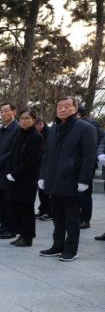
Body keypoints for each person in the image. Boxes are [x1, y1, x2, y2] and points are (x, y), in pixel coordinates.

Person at [38, 96, 97, 262]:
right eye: (59, 106)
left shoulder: (85, 128)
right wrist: (42, 175)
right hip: (54, 178)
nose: (62, 109)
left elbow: (89, 157)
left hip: (72, 178)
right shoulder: (54, 128)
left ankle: (71, 249)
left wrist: (84, 180)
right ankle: (57, 246)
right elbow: (47, 155)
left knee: (72, 217)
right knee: (57, 216)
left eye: (66, 106)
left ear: (75, 109)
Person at [5, 109, 44, 247]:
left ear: (33, 120)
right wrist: (10, 171)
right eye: (22, 118)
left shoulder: (36, 137)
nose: (24, 121)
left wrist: (15, 173)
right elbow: (12, 153)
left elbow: (30, 159)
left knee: (26, 207)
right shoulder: (19, 133)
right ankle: (21, 234)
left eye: (27, 118)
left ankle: (28, 237)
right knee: (17, 206)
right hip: (15, 177)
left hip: (27, 178)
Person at [0, 103, 20, 239]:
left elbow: (13, 151)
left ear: (14, 112)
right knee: (1, 201)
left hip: (8, 170)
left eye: (6, 111)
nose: (4, 114)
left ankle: (11, 228)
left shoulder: (17, 129)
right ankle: (3, 226)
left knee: (10, 201)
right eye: (1, 111)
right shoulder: (2, 129)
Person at [77, 105, 105, 229]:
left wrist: (95, 153)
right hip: (76, 163)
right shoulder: (75, 124)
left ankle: (85, 219)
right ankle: (79, 217)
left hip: (87, 163)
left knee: (85, 193)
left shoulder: (91, 125)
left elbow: (101, 138)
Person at [34, 119, 52, 221]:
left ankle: (49, 212)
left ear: (41, 124)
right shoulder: (38, 132)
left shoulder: (48, 133)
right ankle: (42, 209)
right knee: (41, 190)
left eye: (37, 125)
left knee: (46, 190)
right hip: (39, 164)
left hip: (46, 164)